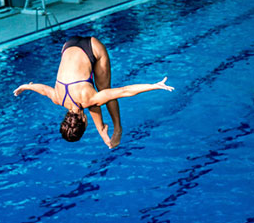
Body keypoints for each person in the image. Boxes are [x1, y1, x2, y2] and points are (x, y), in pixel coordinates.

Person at [13, 36, 173, 149]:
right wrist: (25, 86)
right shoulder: (57, 98)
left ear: (84, 121)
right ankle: (103, 132)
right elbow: (42, 89)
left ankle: (118, 128)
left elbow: (124, 91)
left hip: (92, 47)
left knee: (104, 92)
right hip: (68, 45)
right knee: (94, 100)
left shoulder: (90, 99)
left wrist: (154, 85)